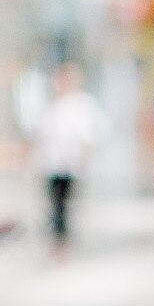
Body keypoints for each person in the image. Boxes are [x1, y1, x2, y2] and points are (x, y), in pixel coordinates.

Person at [33, 62, 107, 246]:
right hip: (53, 164)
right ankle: (58, 235)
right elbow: (41, 133)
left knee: (65, 201)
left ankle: (63, 235)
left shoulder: (83, 104)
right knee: (55, 202)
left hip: (72, 163)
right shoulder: (52, 105)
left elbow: (93, 132)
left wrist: (85, 154)